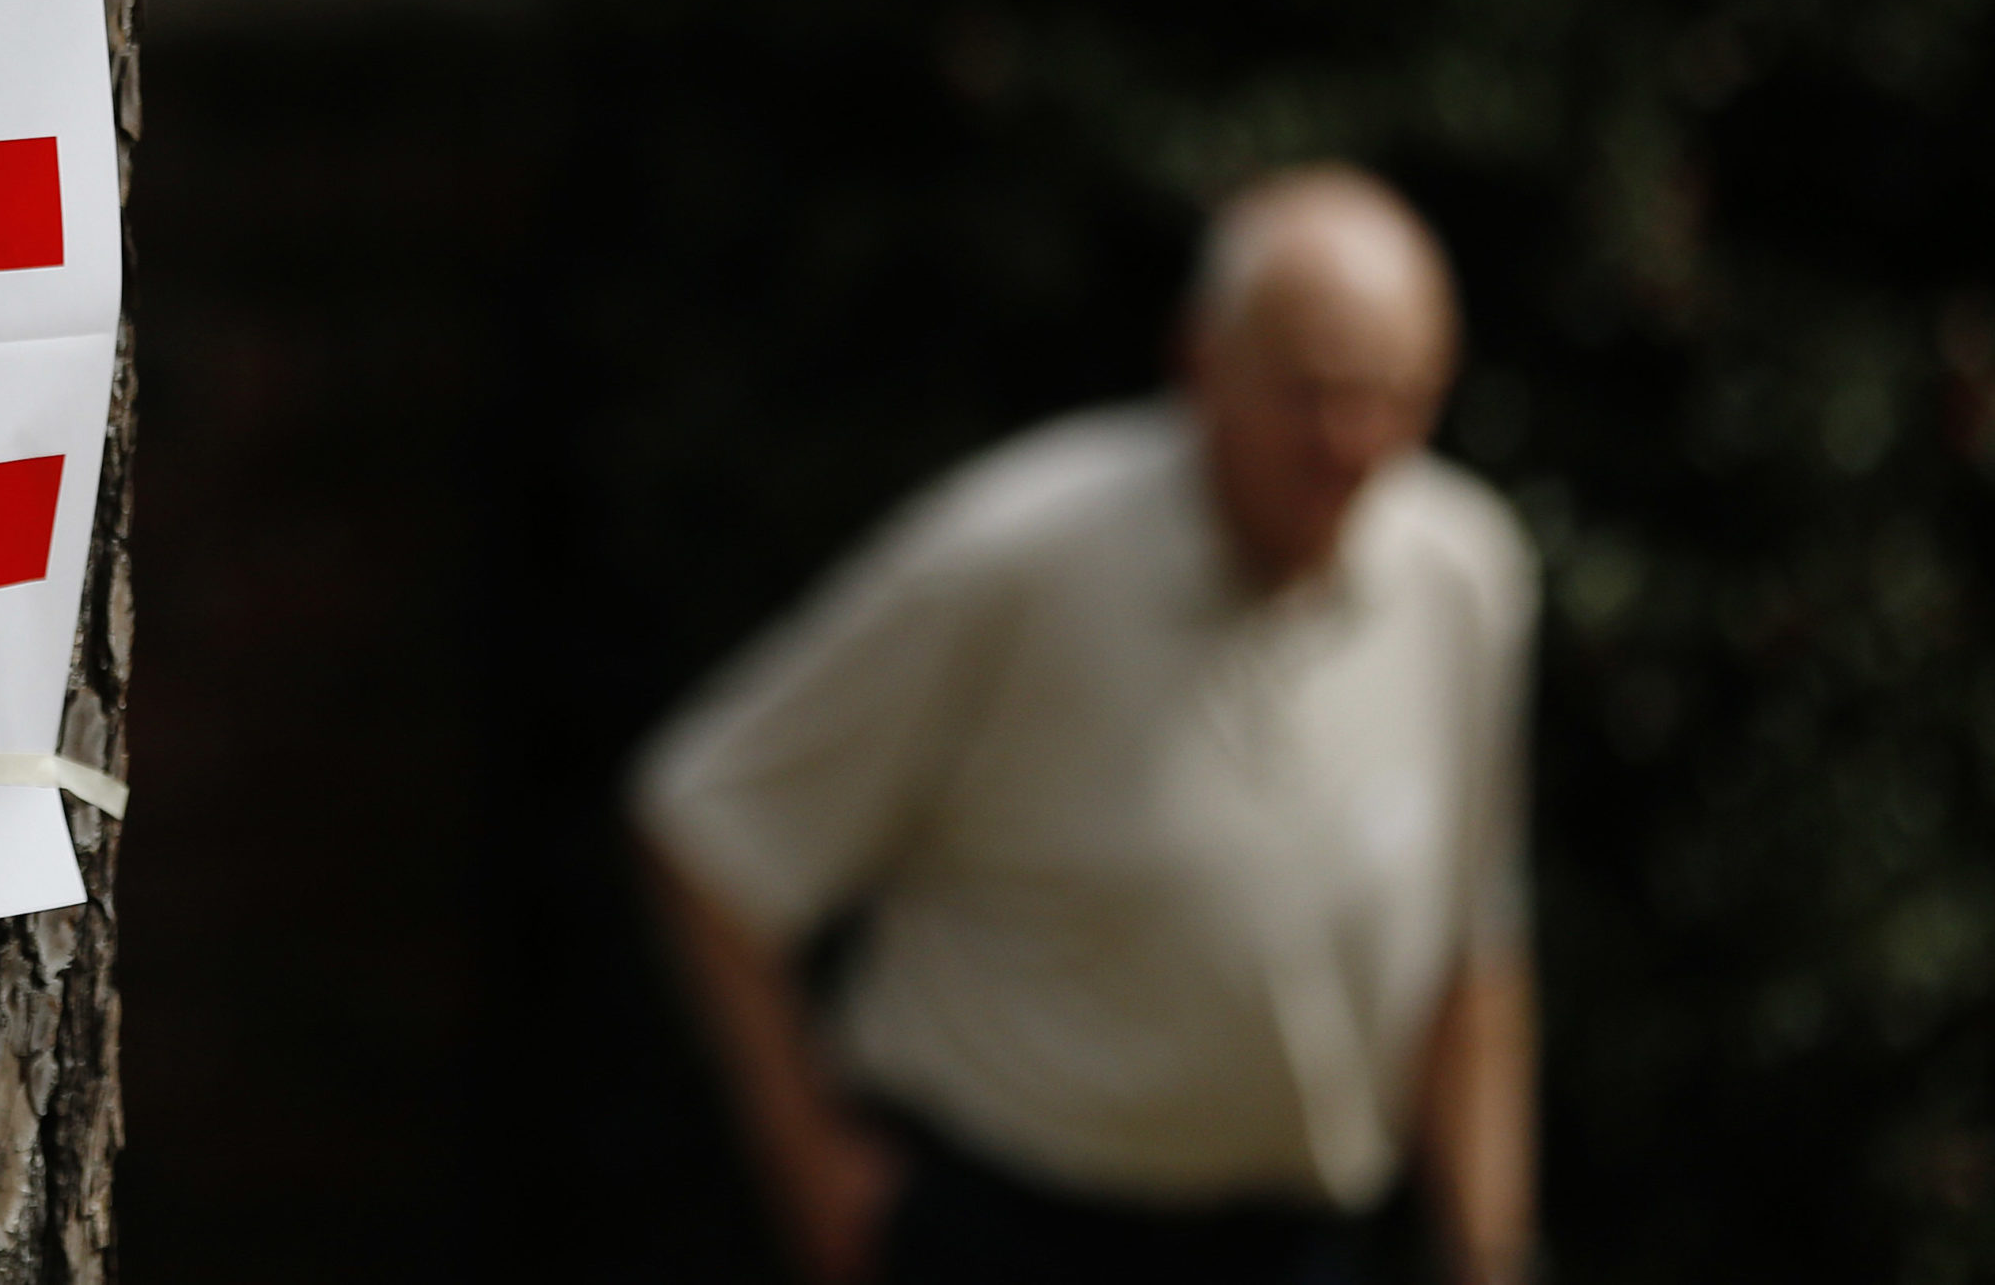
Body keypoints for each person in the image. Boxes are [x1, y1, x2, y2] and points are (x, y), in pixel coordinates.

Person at [630, 166, 1537, 1285]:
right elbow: (708, 820)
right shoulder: (1015, 554)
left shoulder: (1464, 576)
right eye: (1310, 391)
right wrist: (815, 1171)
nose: (1351, 442)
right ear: (1202, 362)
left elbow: (1473, 952)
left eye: (1398, 399)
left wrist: (1488, 1257)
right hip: (1004, 1231)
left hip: (1289, 1245)